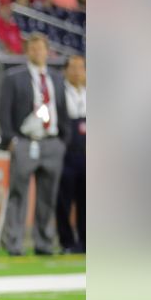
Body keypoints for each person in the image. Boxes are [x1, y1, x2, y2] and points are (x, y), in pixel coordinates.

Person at [0, 33, 69, 256]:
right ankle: (15, 242)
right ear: (27, 51)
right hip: (25, 141)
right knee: (18, 194)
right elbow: (3, 112)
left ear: (48, 51)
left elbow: (63, 110)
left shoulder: (57, 79)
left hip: (51, 142)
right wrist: (10, 140)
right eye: (33, 48)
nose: (38, 52)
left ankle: (44, 242)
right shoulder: (13, 77)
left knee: (48, 196)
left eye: (41, 48)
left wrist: (63, 142)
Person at [56, 54, 86, 254]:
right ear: (65, 71)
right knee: (64, 200)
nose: (76, 71)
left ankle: (86, 241)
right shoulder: (58, 92)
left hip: (86, 153)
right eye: (72, 67)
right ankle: (67, 241)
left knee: (87, 201)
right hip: (66, 153)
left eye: (80, 67)